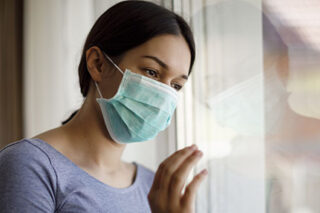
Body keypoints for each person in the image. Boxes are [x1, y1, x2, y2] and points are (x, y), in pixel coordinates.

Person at [0, 1, 208, 213]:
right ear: (98, 64)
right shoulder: (30, 165)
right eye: (151, 72)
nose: (163, 95)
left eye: (176, 85)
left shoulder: (154, 187)